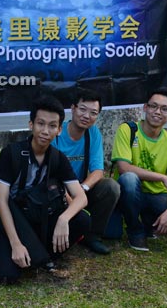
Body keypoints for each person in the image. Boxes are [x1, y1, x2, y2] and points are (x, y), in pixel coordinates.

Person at [0, 96, 90, 285]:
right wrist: (16, 244)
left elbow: (81, 198)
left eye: (52, 126)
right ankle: (34, 252)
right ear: (31, 124)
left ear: (59, 130)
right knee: (5, 275)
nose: (45, 131)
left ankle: (41, 252)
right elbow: (0, 201)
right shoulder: (12, 153)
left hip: (42, 216)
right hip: (15, 217)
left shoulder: (58, 158)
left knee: (82, 219)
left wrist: (63, 219)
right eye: (40, 124)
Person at [111, 88, 167, 252]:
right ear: (145, 108)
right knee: (129, 179)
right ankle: (135, 230)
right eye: (153, 106)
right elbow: (123, 168)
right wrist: (162, 177)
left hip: (157, 196)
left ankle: (151, 221)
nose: (157, 112)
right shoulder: (128, 130)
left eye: (164, 109)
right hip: (130, 192)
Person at [51, 89, 120, 255]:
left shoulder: (93, 132)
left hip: (79, 187)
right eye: (82, 109)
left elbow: (98, 171)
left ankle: (92, 235)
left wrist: (82, 190)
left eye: (93, 113)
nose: (87, 116)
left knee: (111, 187)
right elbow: (51, 174)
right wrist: (71, 199)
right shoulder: (57, 134)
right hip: (56, 189)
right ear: (73, 108)